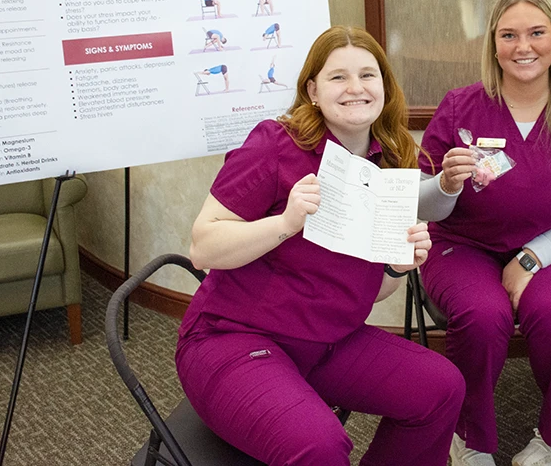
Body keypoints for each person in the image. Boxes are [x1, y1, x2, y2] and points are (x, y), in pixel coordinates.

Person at [177, 26, 466, 466]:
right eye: (338, 78)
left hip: (329, 340)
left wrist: (396, 267)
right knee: (320, 446)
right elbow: (203, 247)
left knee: (441, 388)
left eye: (368, 76)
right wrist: (287, 222)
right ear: (312, 90)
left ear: (384, 89)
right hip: (233, 338)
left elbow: (372, 289)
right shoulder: (275, 145)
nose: (355, 88)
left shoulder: (389, 161)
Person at [418, 0, 551, 466]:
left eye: (536, 33)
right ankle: (470, 438)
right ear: (493, 44)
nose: (522, 46)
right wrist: (445, 183)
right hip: (462, 245)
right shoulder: (458, 107)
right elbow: (426, 210)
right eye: (509, 35)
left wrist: (532, 259)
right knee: (482, 316)